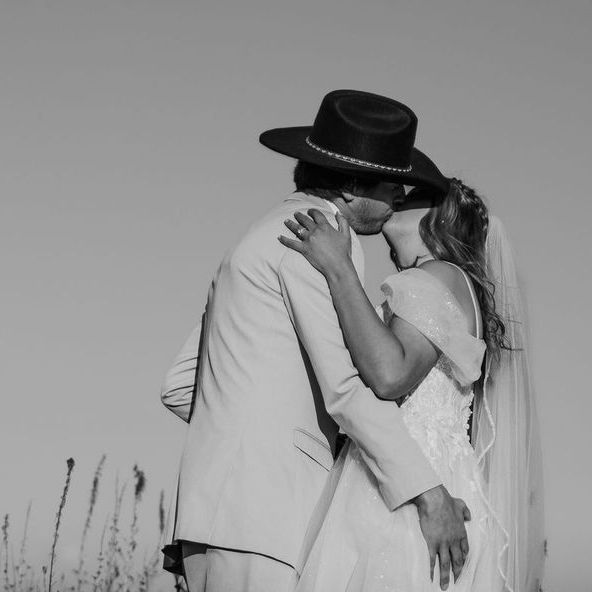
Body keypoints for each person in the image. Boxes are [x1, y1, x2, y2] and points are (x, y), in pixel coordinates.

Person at [160, 90, 474, 592]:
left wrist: (232, 453)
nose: (398, 196)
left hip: (210, 519)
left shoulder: (259, 236)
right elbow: (346, 388)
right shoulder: (317, 238)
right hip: (266, 518)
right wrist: (429, 493)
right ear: (350, 185)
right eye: (391, 184)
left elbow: (180, 385)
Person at [280, 176, 545, 592]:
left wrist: (339, 268)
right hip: (427, 473)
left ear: (437, 216)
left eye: (412, 196)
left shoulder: (438, 275)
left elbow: (390, 374)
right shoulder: (446, 282)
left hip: (413, 488)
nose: (397, 198)